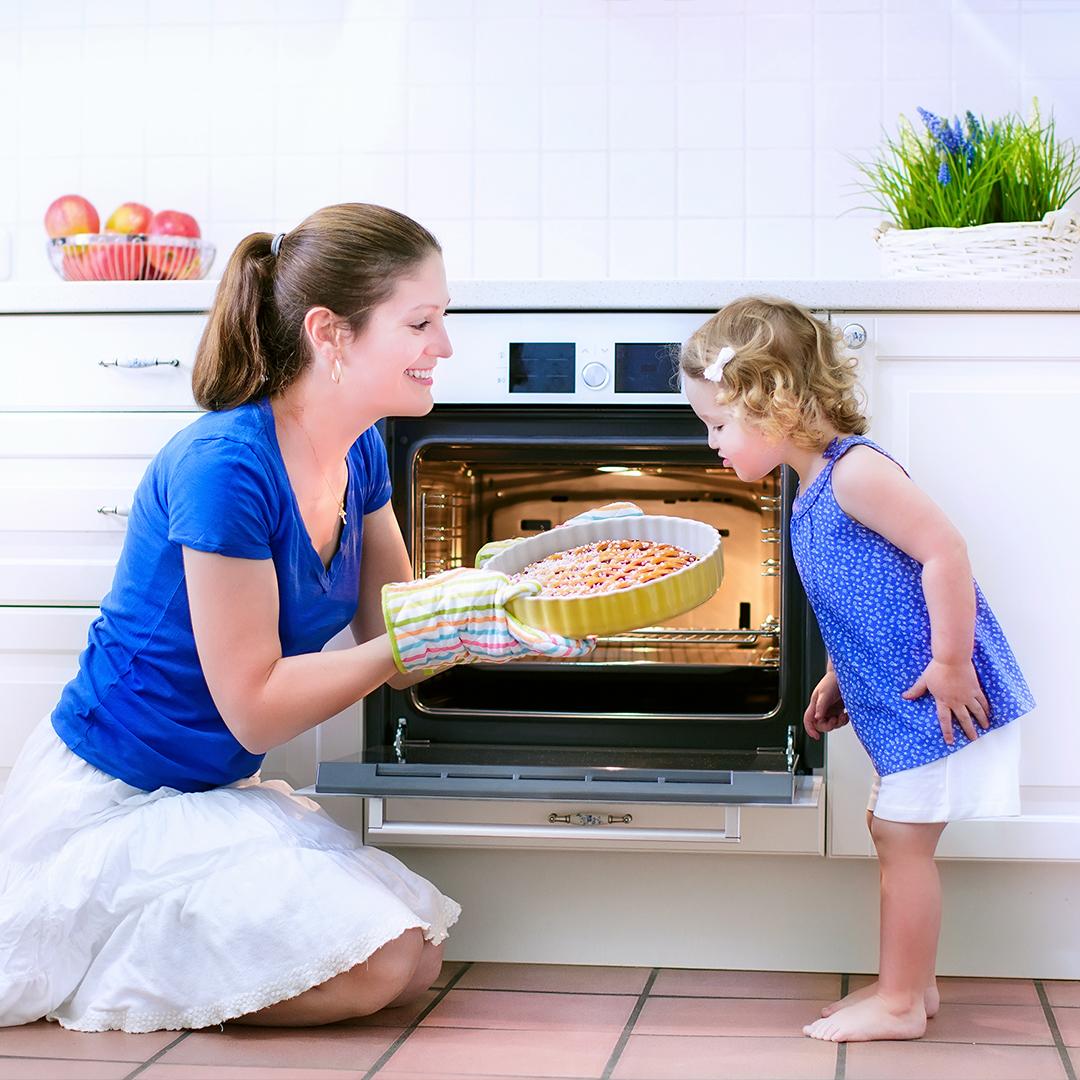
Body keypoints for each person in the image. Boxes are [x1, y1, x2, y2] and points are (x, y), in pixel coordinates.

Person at [0, 203, 590, 1033]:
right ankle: (99, 968)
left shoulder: (359, 451)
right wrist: (423, 631)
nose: (444, 346)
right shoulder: (225, 468)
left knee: (414, 957)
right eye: (421, 322)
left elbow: (402, 642)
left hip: (207, 790)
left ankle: (155, 957)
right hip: (114, 799)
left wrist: (519, 602)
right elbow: (258, 702)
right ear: (332, 333)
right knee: (380, 963)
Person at [680, 296, 1034, 1044]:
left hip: (933, 696)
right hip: (897, 697)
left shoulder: (855, 473)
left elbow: (945, 552)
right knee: (892, 830)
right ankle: (913, 985)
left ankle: (902, 1002)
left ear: (768, 402)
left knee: (901, 839)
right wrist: (840, 675)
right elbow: (864, 594)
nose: (711, 442)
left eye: (717, 423)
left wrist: (950, 661)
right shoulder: (811, 487)